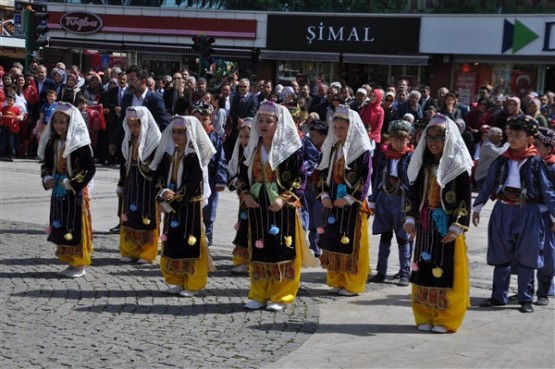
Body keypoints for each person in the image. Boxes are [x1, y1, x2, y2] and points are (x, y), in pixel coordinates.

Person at [237, 101, 317, 311]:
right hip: (257, 206)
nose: (263, 125)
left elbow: (300, 179)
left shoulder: (291, 150)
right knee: (259, 248)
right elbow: (241, 175)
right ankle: (259, 293)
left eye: (269, 121)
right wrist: (245, 194)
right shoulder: (253, 148)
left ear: (278, 124)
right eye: (260, 120)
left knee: (282, 248)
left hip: (281, 207)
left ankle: (281, 295)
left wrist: (284, 198)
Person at [472, 115, 555, 313]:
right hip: (503, 209)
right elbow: (488, 184)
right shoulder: (502, 160)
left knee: (528, 255)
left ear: (529, 139)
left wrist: (553, 215)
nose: (513, 139)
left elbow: (548, 190)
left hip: (529, 212)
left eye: (518, 135)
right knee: (501, 254)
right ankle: (498, 296)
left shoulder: (536, 162)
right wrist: (477, 207)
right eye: (511, 134)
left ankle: (525, 298)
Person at [403, 114, 473, 333]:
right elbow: (413, 194)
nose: (433, 142)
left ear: (449, 139)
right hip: (425, 224)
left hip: (447, 226)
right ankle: (425, 314)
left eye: (439, 138)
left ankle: (445, 318)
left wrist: (456, 226)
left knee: (445, 270)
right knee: (422, 267)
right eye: (429, 137)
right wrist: (410, 217)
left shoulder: (457, 168)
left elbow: (464, 199)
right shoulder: (423, 166)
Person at [149, 115, 216, 297]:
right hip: (172, 207)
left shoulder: (194, 159)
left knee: (189, 243)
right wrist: (162, 193)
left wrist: (169, 204)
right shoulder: (169, 155)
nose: (176, 136)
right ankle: (177, 279)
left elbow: (192, 185)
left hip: (188, 208)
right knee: (172, 242)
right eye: (174, 132)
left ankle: (192, 283)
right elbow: (159, 178)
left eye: (181, 132)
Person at [316, 105, 373, 296]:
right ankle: (337, 279)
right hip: (333, 200)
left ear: (352, 129)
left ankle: (353, 283)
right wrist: (323, 194)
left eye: (343, 128)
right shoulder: (333, 147)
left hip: (352, 204)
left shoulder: (361, 150)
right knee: (333, 239)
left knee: (353, 243)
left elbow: (365, 176)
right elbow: (323, 171)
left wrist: (350, 198)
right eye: (336, 128)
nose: (339, 132)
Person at [37, 102, 96, 278]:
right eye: (56, 122)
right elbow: (46, 164)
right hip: (58, 191)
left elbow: (89, 169)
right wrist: (47, 177)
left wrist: (71, 182)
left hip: (74, 191)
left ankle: (79, 263)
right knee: (61, 223)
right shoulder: (52, 142)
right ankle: (69, 260)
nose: (58, 126)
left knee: (75, 225)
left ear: (71, 123)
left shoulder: (80, 144)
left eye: (63, 122)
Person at [369, 120, 414, 286]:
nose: (398, 143)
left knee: (403, 237)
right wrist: (372, 201)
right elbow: (375, 178)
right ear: (390, 139)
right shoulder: (383, 156)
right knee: (385, 235)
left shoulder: (411, 157)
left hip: (402, 200)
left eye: (402, 139)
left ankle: (404, 272)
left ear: (408, 140)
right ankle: (381, 271)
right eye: (395, 139)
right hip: (384, 199)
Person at [117, 106, 162, 264]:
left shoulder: (155, 142)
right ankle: (130, 249)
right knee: (129, 215)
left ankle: (147, 252)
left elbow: (160, 167)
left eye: (136, 125)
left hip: (148, 185)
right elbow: (124, 164)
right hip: (131, 182)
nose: (133, 128)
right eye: (129, 125)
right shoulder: (128, 140)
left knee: (147, 217)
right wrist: (121, 183)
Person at [192, 103, 227, 247]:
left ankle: (207, 233)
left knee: (209, 208)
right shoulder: (189, 136)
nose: (201, 122)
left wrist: (220, 179)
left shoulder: (215, 138)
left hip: (210, 178)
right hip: (193, 177)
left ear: (210, 120)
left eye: (204, 119)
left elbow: (221, 159)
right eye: (197, 119)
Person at [533, 127, 555, 305]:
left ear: (549, 148)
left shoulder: (553, 167)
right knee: (525, 254)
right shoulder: (530, 163)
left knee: (548, 255)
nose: (533, 148)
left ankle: (544, 291)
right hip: (529, 215)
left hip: (548, 217)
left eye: (537, 145)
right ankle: (524, 290)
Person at [227, 118, 252, 274]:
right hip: (243, 198)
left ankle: (252, 259)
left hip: (255, 197)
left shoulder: (256, 153)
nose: (243, 140)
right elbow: (232, 171)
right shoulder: (240, 152)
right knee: (243, 225)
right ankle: (242, 259)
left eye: (247, 137)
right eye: (241, 136)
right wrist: (235, 182)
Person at [0, 94, 24, 161]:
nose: (9, 101)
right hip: (4, 127)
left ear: (14, 101)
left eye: (11, 100)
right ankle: (3, 155)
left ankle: (11, 156)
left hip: (12, 128)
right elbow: (1, 114)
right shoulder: (4, 108)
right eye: (8, 100)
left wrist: (19, 117)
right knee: (3, 141)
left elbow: (20, 117)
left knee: (11, 142)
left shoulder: (16, 109)